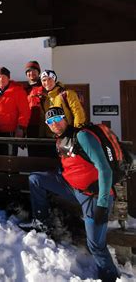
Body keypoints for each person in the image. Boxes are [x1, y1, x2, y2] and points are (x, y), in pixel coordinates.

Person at [22, 107, 120, 282]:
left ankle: (110, 277)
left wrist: (103, 204)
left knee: (95, 245)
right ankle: (41, 222)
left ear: (65, 118)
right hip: (71, 188)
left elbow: (105, 170)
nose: (55, 124)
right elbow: (71, 166)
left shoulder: (82, 136)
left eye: (58, 118)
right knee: (36, 179)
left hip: (94, 196)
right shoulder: (59, 140)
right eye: (50, 122)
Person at [0, 67, 30, 155]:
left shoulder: (18, 91)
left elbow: (25, 111)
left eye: (3, 77)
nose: (1, 79)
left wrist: (21, 127)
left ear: (8, 78)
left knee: (10, 159)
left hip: (11, 132)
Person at [23, 61, 48, 157]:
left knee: (45, 153)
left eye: (34, 70)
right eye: (28, 71)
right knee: (32, 153)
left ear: (38, 72)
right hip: (30, 126)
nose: (31, 73)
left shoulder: (44, 86)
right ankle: (34, 172)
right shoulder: (24, 90)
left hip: (44, 125)